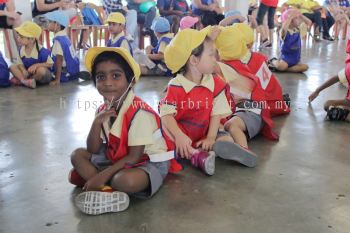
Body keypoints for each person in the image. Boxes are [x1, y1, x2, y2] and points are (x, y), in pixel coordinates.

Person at [70, 47, 172, 215]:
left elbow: (134, 157)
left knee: (125, 181)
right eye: (101, 77)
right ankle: (106, 191)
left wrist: (99, 176)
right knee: (77, 155)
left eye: (116, 76)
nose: (108, 83)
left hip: (148, 161)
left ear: (131, 81)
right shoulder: (103, 109)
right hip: (118, 155)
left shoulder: (140, 113)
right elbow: (92, 150)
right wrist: (96, 123)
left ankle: (103, 183)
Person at [159, 27, 235, 175]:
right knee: (164, 133)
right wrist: (179, 135)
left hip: (204, 131)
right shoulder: (176, 85)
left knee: (226, 140)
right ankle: (196, 154)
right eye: (211, 55)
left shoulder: (215, 83)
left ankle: (206, 150)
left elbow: (216, 114)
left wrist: (211, 137)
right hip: (182, 134)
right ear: (194, 60)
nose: (216, 59)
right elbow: (167, 115)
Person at [213, 26, 278, 167]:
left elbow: (204, 63)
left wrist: (210, 38)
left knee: (231, 125)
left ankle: (244, 151)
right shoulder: (237, 63)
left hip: (250, 111)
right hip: (245, 111)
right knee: (220, 127)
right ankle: (231, 146)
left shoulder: (226, 67)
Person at [234, 23, 290, 116]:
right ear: (251, 44)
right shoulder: (259, 57)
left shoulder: (234, 62)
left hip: (260, 106)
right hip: (274, 100)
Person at [308, 39, 350, 121]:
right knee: (327, 104)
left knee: (329, 105)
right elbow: (337, 77)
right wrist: (317, 91)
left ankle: (343, 114)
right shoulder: (348, 69)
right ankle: (343, 114)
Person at [44, 10, 89, 85]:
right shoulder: (64, 36)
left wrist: (57, 80)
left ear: (57, 25)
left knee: (44, 74)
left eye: (49, 22)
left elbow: (59, 60)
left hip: (65, 72)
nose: (47, 24)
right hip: (73, 69)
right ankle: (75, 74)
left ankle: (61, 76)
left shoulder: (58, 40)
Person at [9, 21, 53, 89]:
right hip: (28, 73)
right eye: (18, 36)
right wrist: (23, 70)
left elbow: (50, 64)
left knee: (41, 71)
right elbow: (20, 63)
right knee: (12, 67)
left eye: (21, 37)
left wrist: (37, 65)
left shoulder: (42, 51)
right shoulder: (21, 50)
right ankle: (25, 81)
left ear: (32, 39)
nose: (18, 39)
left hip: (41, 75)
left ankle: (23, 81)